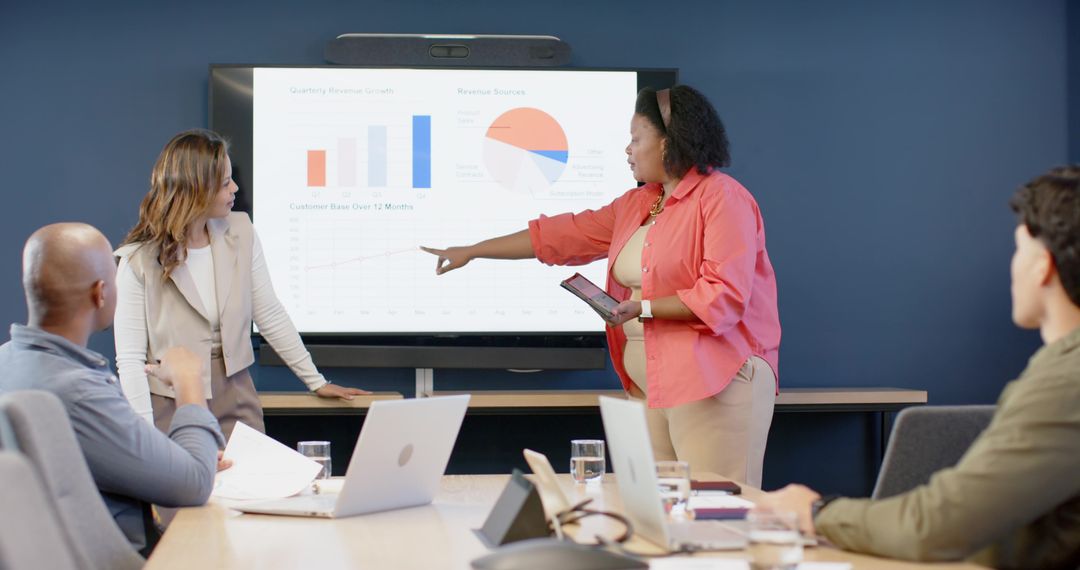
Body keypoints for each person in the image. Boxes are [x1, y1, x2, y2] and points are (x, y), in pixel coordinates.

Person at [422, 85, 781, 486]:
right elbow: (561, 235)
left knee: (716, 510)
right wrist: (474, 250)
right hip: (652, 384)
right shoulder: (640, 203)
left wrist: (642, 308)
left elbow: (724, 297)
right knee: (660, 509)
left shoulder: (723, 199)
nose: (628, 150)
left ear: (669, 143)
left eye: (635, 139)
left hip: (715, 382)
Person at [761, 166, 1080, 569]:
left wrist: (816, 511)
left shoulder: (1065, 385)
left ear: (1043, 266)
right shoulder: (1059, 371)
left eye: (1019, 249)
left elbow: (935, 526)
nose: (1012, 266)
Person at [115, 129, 367, 438]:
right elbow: (129, 361)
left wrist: (315, 380)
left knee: (252, 483)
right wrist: (143, 434)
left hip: (236, 397)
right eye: (224, 183)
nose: (235, 188)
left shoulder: (242, 231)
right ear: (195, 189)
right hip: (170, 406)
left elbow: (269, 313)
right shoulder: (137, 260)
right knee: (188, 485)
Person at [0, 222, 224, 554]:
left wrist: (171, 456)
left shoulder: (8, 362)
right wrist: (188, 380)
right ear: (101, 292)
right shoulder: (79, 392)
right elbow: (193, 484)